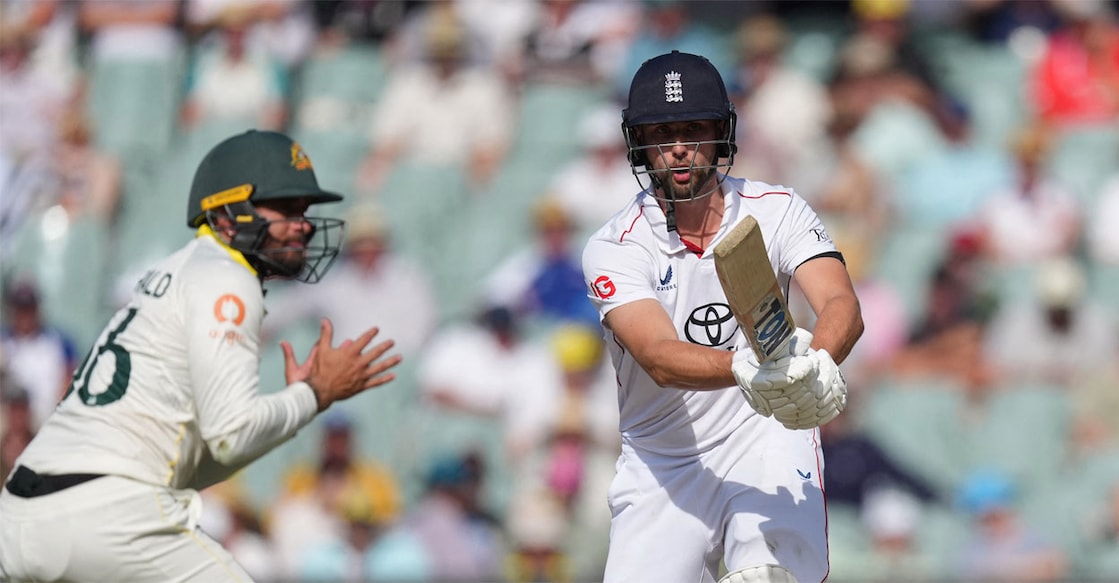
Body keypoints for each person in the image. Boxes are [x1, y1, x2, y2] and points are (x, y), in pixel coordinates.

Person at [0, 129, 403, 582]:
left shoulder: (181, 269)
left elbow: (201, 456)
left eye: (304, 211)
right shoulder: (229, 279)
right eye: (285, 208)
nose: (304, 224)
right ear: (228, 215)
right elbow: (232, 434)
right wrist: (313, 394)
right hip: (106, 514)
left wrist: (302, 403)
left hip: (20, 519)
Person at [581, 51, 863, 583]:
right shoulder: (613, 246)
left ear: (721, 134)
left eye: (694, 129)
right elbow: (660, 358)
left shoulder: (777, 208)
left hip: (767, 429)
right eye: (662, 133)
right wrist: (745, 368)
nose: (680, 147)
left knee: (767, 577)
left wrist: (817, 361)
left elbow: (839, 302)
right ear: (640, 143)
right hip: (662, 462)